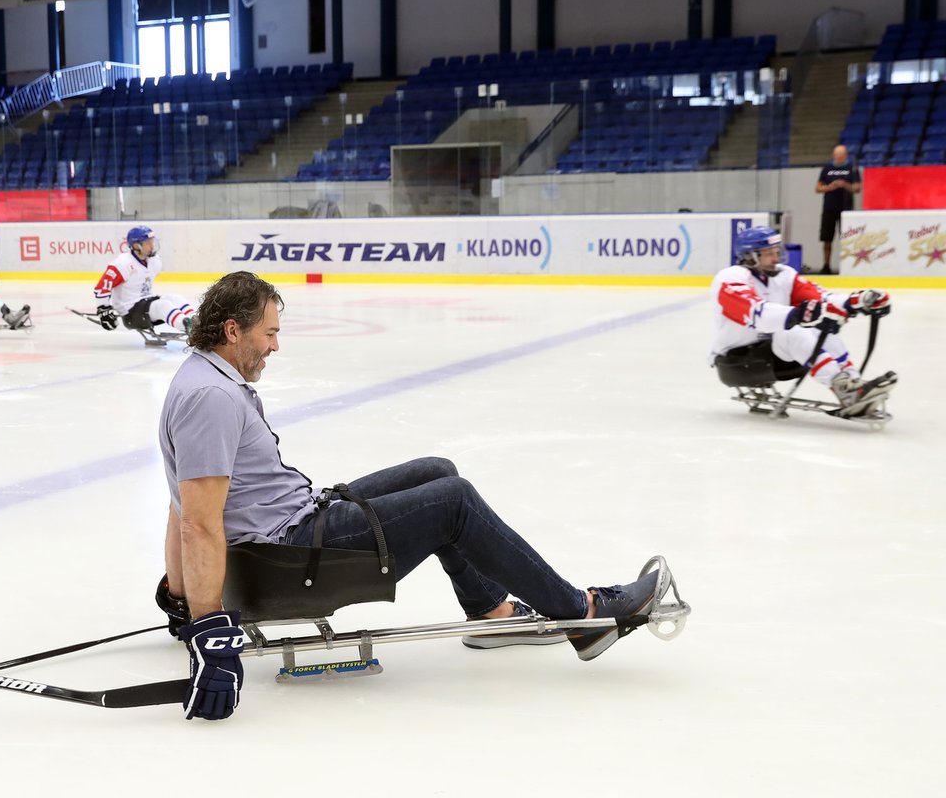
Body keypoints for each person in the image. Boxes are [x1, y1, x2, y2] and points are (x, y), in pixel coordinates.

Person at [157, 271, 672, 722]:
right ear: (232, 331)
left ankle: (488, 613)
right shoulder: (212, 398)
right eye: (268, 334)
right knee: (453, 500)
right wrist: (207, 629)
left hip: (292, 525)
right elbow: (196, 522)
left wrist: (180, 600)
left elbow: (178, 503)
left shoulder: (206, 377)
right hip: (287, 559)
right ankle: (582, 617)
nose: (275, 347)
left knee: (437, 470)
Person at [711, 226, 895, 415]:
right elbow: (756, 313)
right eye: (768, 253)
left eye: (777, 251)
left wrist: (858, 301)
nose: (775, 258)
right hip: (736, 361)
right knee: (793, 331)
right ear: (749, 255)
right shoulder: (730, 278)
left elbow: (820, 299)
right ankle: (845, 390)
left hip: (772, 354)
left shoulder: (784, 275)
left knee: (822, 327)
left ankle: (853, 385)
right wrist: (798, 314)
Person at [92, 226, 194, 335]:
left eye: (152, 242)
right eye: (148, 243)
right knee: (162, 305)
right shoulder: (122, 264)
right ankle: (190, 328)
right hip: (130, 312)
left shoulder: (154, 261)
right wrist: (103, 310)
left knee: (174, 298)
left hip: (145, 302)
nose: (152, 246)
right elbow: (102, 287)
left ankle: (198, 321)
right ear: (136, 246)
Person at [815, 144, 861, 275]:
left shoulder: (851, 168)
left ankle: (847, 265)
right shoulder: (827, 168)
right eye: (837, 154)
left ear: (845, 155)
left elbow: (857, 188)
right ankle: (826, 265)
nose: (839, 157)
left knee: (847, 239)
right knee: (827, 239)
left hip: (846, 209)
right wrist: (830, 187)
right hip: (829, 208)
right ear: (833, 155)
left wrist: (845, 185)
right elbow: (818, 188)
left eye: (841, 154)